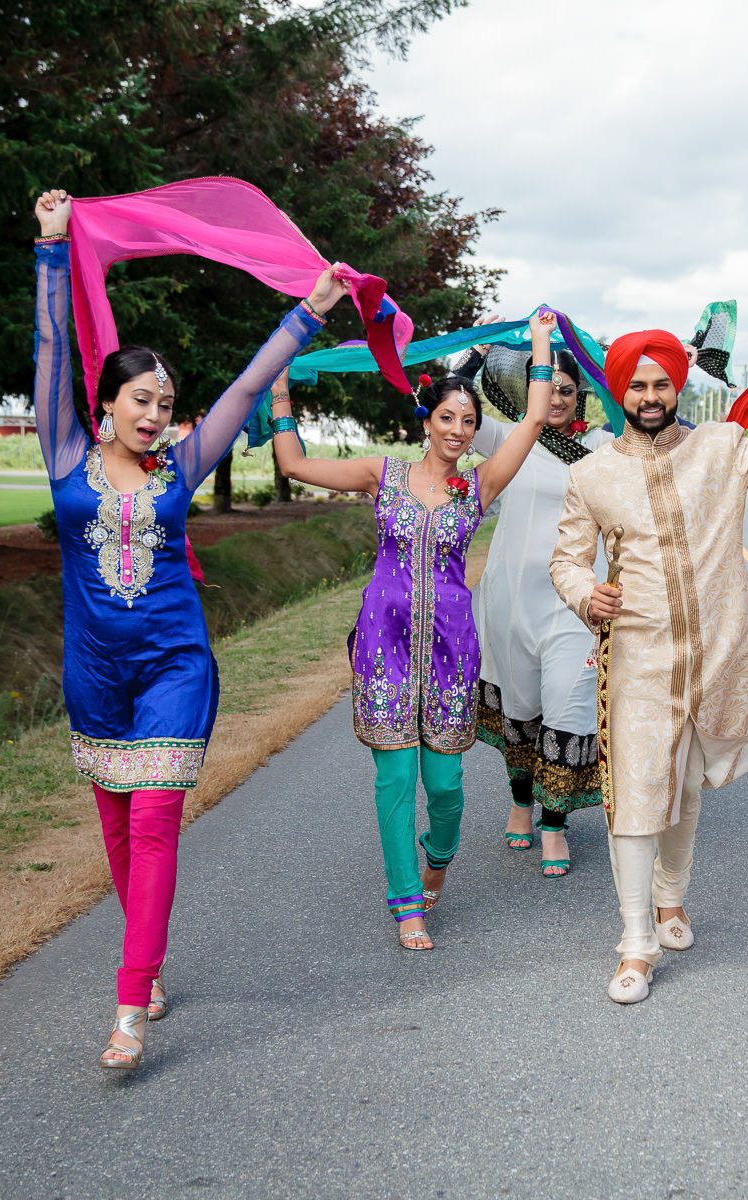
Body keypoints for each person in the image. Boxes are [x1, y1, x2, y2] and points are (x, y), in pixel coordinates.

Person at [31, 189, 348, 1069]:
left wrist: (307, 312)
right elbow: (53, 354)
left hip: (175, 663)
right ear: (108, 402)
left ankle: (130, 1003)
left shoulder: (183, 462)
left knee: (157, 818)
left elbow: (248, 387)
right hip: (95, 672)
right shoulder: (63, 452)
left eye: (165, 402)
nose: (155, 413)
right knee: (117, 826)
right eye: (140, 398)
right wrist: (51, 251)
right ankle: (148, 958)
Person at [550, 323, 748, 1004]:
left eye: (661, 383)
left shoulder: (722, 448)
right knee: (638, 791)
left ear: (678, 385)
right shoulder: (590, 474)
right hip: (639, 658)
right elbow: (565, 559)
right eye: (638, 385)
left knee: (684, 786)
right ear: (620, 391)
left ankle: (672, 899)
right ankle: (635, 940)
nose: (651, 396)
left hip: (715, 655)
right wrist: (588, 594)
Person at [269, 312, 555, 950]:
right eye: (448, 418)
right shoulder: (383, 475)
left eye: (469, 422)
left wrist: (539, 341)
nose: (458, 430)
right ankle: (406, 904)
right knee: (395, 779)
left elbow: (535, 420)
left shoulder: (477, 488)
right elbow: (293, 463)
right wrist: (279, 384)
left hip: (451, 652)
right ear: (427, 420)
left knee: (447, 788)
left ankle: (437, 859)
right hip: (384, 648)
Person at [454, 331, 615, 876]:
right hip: (507, 601)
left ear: (580, 396)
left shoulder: (597, 447)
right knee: (520, 709)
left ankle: (555, 824)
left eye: (568, 391)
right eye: (549, 389)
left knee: (568, 708)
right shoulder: (505, 436)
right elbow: (449, 400)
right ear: (531, 393)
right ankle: (521, 804)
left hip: (572, 604)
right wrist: (476, 353)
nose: (557, 399)